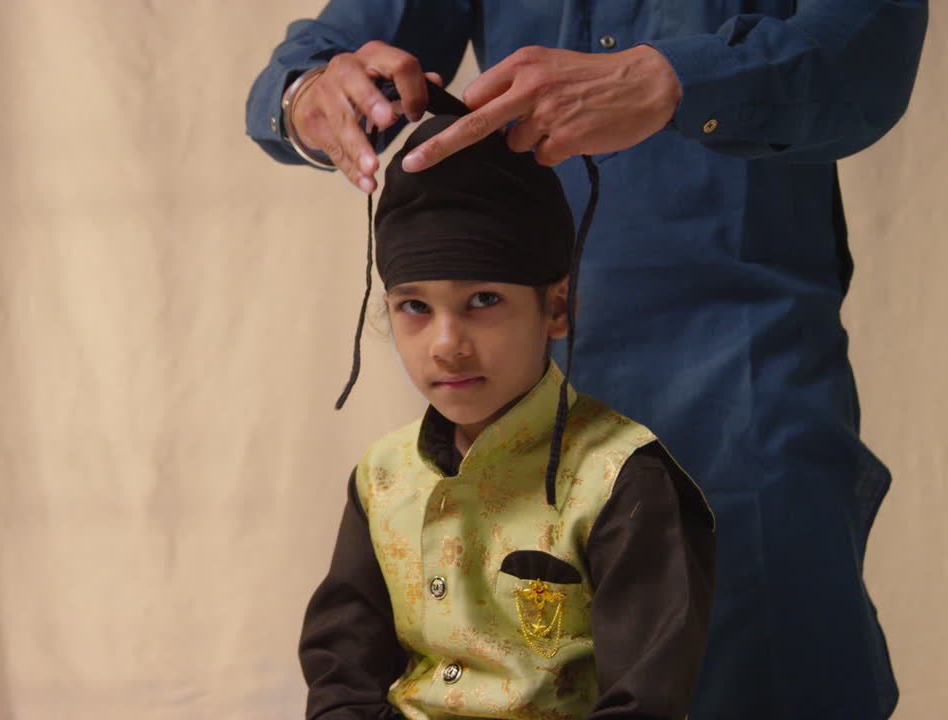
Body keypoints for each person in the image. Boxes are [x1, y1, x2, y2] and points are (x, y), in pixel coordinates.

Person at [247, 4, 927, 718]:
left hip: (741, 366)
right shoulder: (389, 481)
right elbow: (329, 58)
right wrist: (310, 95)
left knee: (765, 669)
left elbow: (863, 58)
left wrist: (677, 79)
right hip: (524, 377)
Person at [300, 102, 715, 720]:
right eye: (414, 307)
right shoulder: (382, 478)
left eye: (484, 299)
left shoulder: (622, 479)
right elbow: (342, 676)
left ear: (556, 309)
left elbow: (644, 703)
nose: (446, 344)